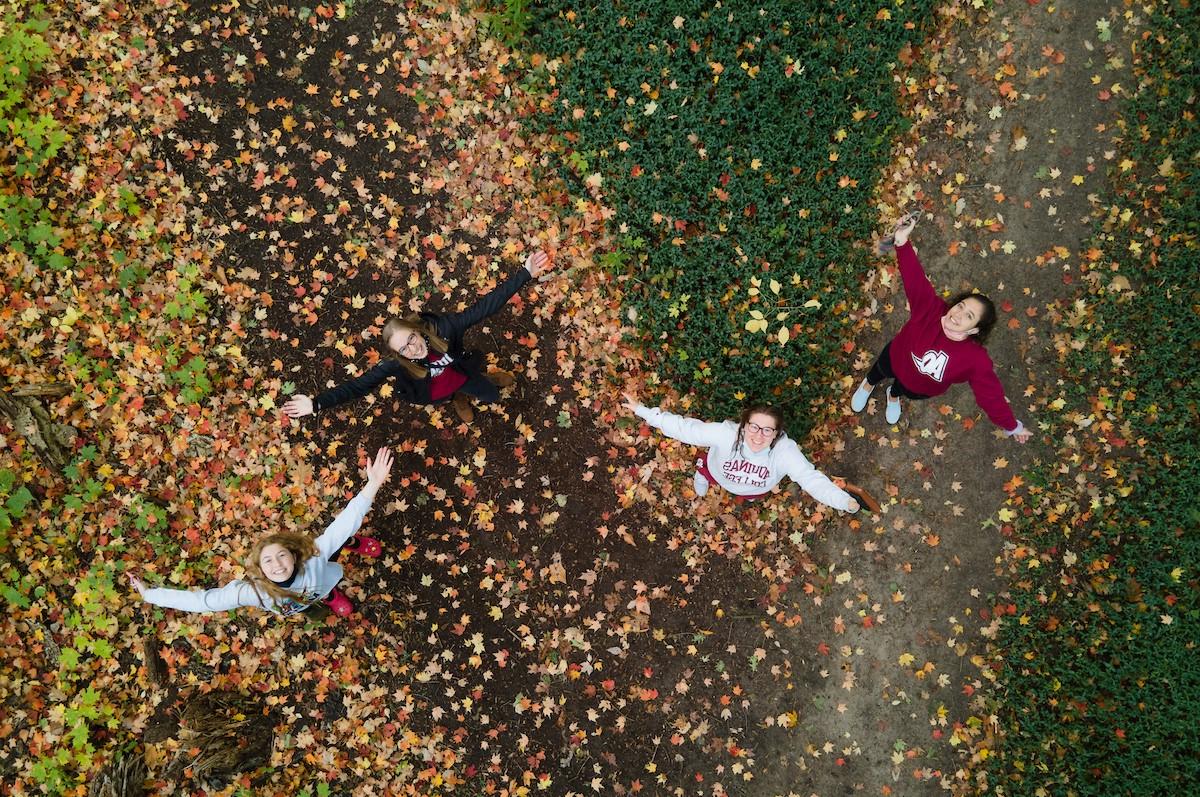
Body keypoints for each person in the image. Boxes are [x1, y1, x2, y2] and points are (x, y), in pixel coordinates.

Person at [281, 250, 550, 424]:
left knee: (490, 394)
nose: (412, 350)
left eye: (410, 340)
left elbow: (486, 307)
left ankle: (482, 382)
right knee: (449, 393)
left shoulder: (446, 328)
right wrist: (316, 403)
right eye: (403, 350)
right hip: (433, 389)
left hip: (459, 372)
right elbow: (358, 386)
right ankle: (457, 398)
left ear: (417, 330)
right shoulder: (396, 364)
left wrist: (525, 273)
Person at [128, 447, 394, 618]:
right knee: (319, 592)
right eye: (268, 561)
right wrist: (150, 595)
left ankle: (352, 543)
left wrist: (372, 485)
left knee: (336, 540)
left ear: (294, 555)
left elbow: (345, 521)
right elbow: (202, 601)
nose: (277, 565)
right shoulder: (253, 593)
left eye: (280, 556)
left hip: (322, 569)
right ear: (260, 568)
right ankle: (329, 596)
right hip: (309, 594)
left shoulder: (314, 556)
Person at [851, 213, 1033, 442]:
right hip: (895, 357)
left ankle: (894, 395)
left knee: (902, 389)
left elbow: (991, 396)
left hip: (920, 387)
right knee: (880, 370)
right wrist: (902, 241)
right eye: (960, 306)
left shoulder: (974, 359)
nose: (957, 314)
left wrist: (1011, 426)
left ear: (974, 330)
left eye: (968, 316)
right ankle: (868, 384)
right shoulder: (930, 308)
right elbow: (914, 278)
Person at [622, 392, 860, 512]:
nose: (758, 436)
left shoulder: (785, 451)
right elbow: (686, 429)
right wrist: (644, 411)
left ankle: (747, 495)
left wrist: (842, 501)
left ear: (777, 433)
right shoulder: (726, 434)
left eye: (768, 431)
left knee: (750, 496)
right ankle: (702, 476)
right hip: (716, 470)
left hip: (754, 488)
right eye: (754, 427)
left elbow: (811, 479)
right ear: (744, 425)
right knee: (706, 470)